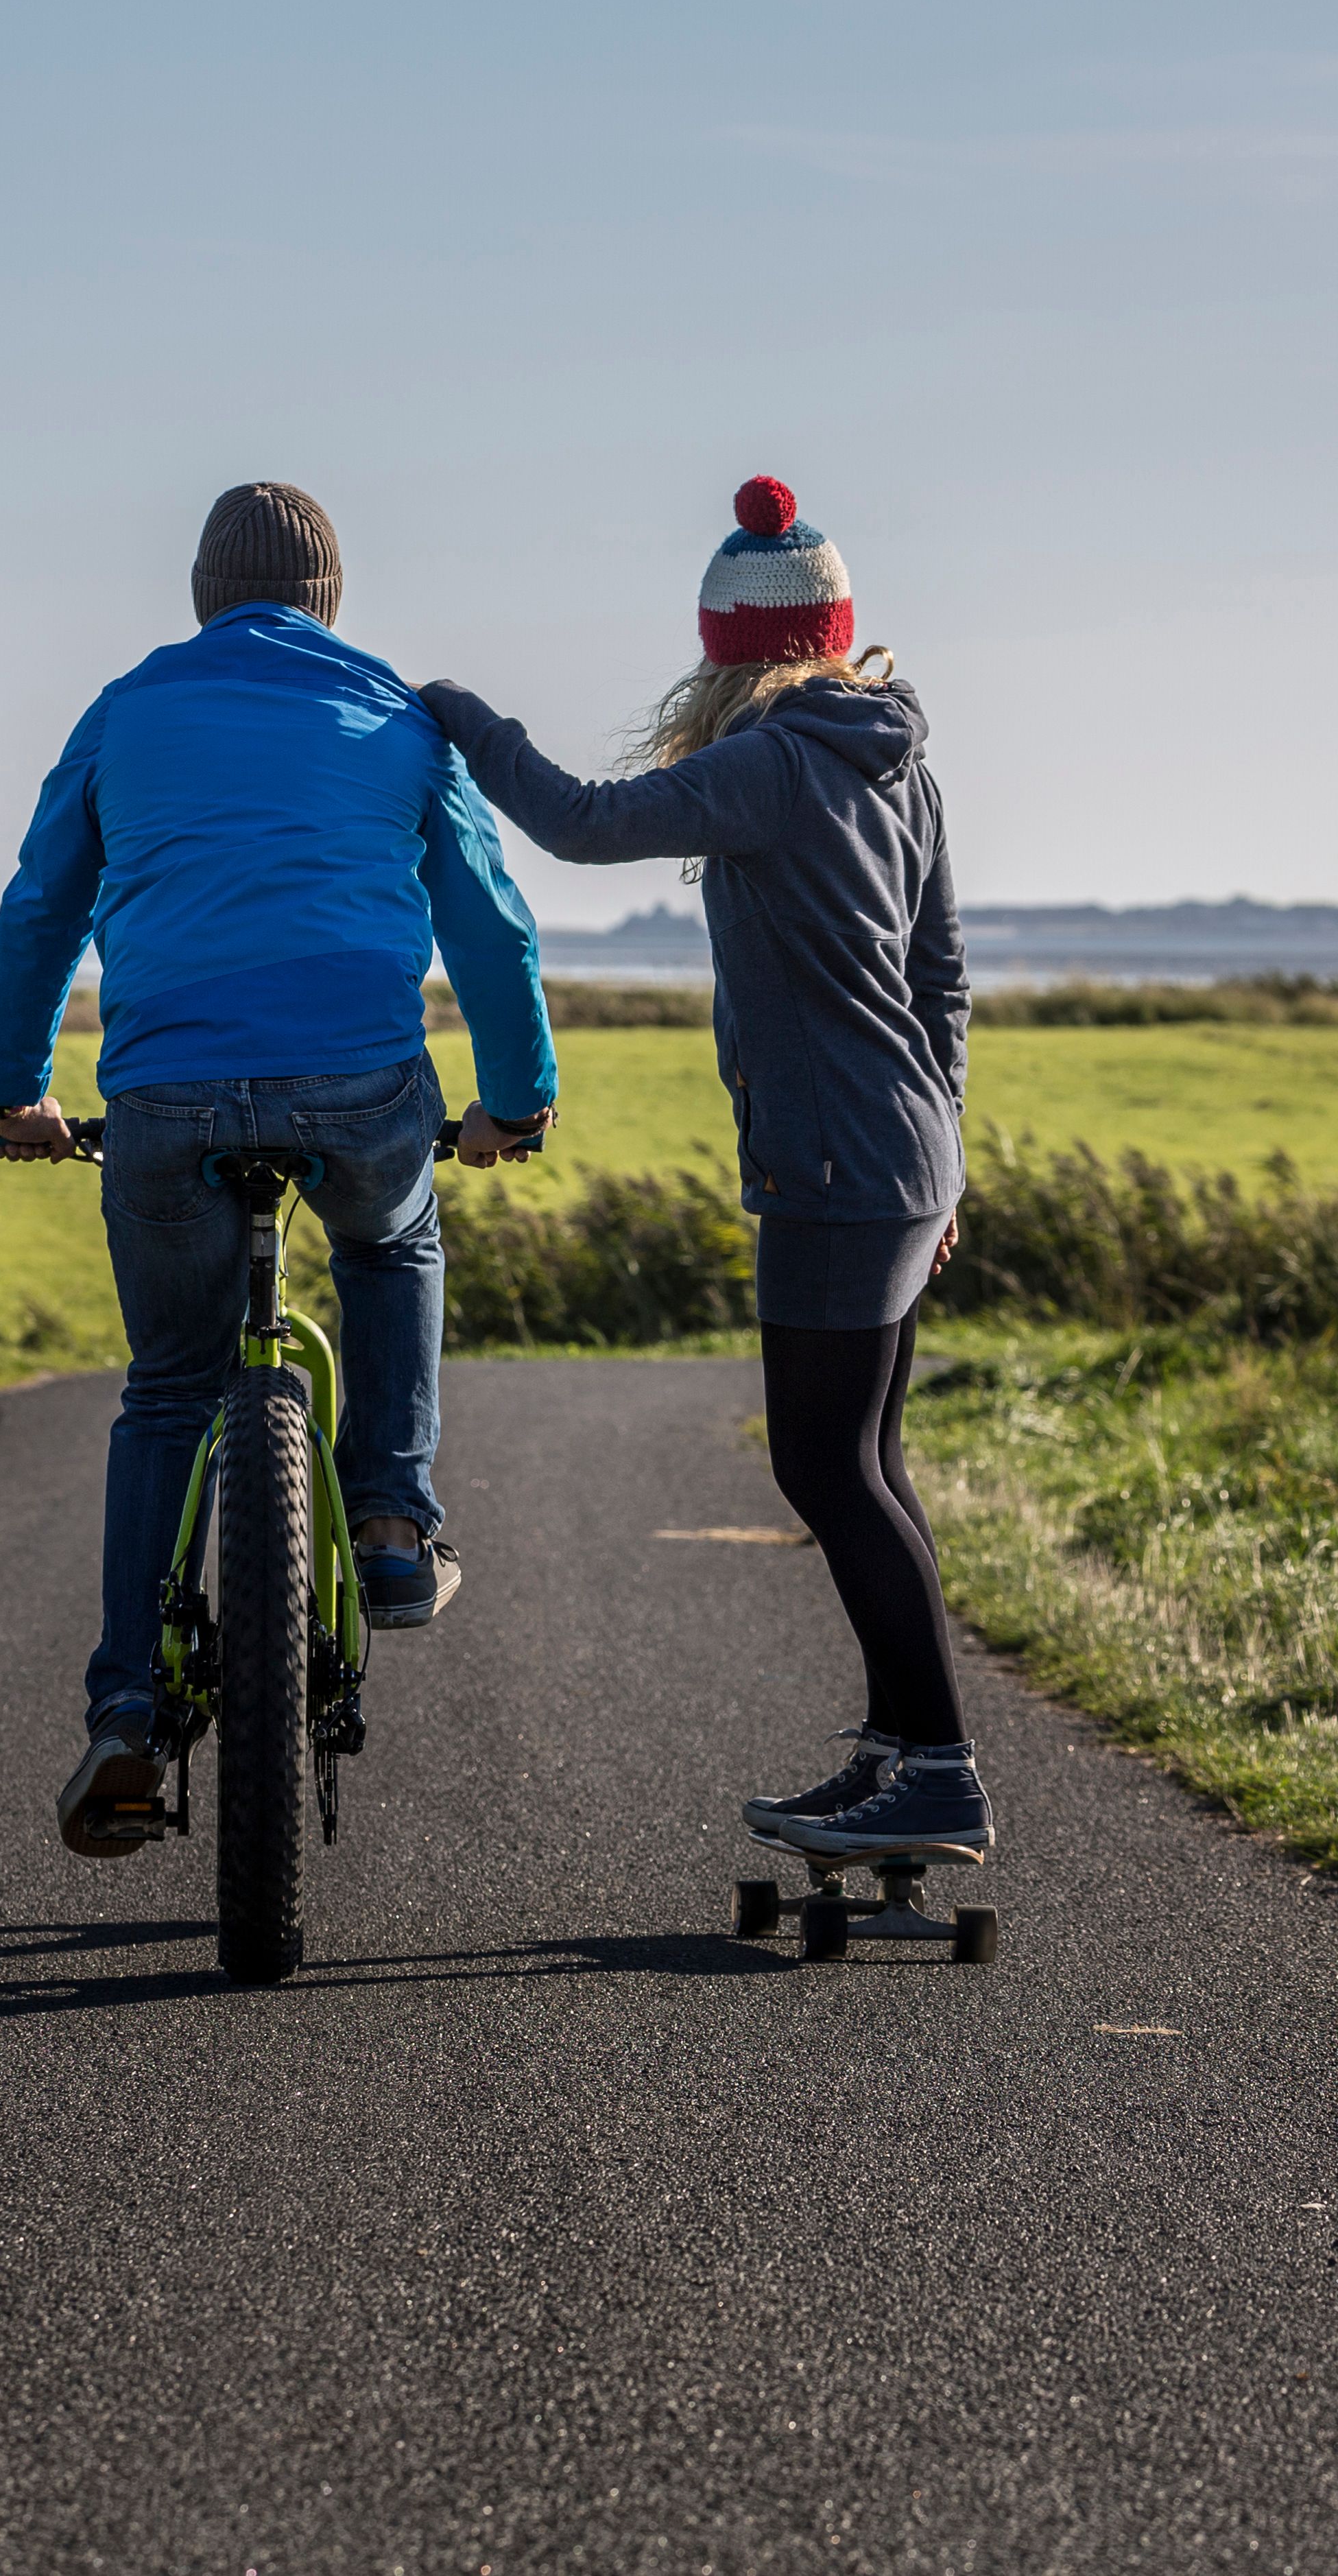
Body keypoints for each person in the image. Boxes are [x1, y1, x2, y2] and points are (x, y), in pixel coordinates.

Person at [0, 481, 558, 1858]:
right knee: (392, 1238)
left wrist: (12, 1089)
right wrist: (514, 1102)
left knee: (173, 1386)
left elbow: (42, 902)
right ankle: (397, 1518)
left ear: (202, 593)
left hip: (164, 1094)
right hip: (359, 1084)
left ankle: (125, 1710)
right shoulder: (399, 714)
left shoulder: (126, 709)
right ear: (332, 597)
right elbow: (490, 921)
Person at [416, 475, 985, 1856]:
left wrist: (462, 716)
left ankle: (942, 1768)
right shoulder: (896, 758)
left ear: (729, 645)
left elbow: (581, 821)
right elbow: (943, 976)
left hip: (837, 1161)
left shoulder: (776, 762)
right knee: (870, 1461)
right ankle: (899, 1749)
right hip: (905, 1153)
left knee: (826, 1466)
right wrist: (950, 1154)